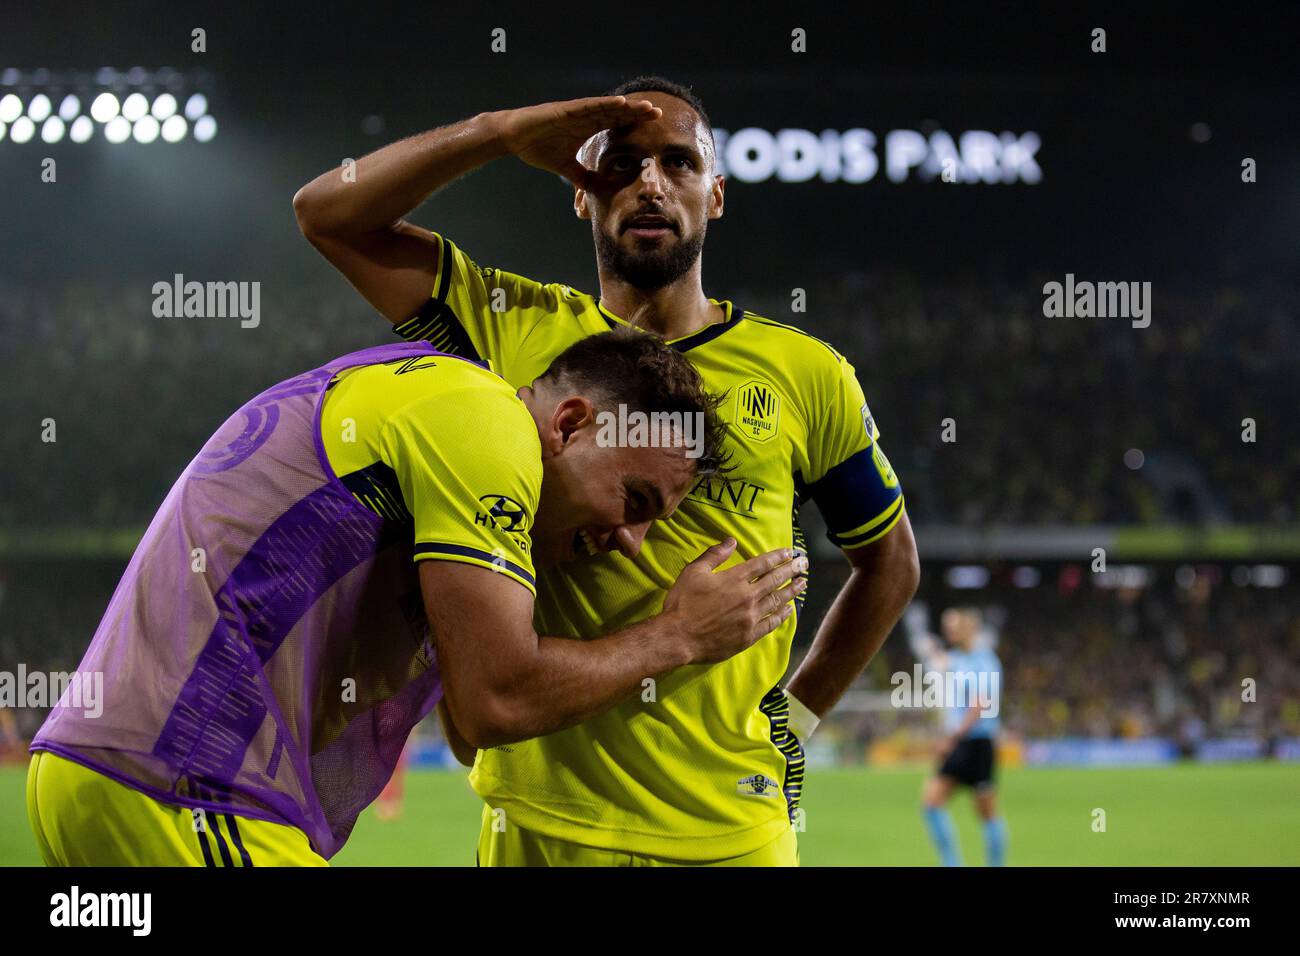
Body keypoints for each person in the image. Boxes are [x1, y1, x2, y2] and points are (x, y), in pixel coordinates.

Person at [293, 76, 920, 866]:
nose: (651, 183)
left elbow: (889, 563)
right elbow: (328, 215)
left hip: (731, 834)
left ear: (716, 195)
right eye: (621, 166)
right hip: (539, 823)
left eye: (679, 164)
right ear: (582, 196)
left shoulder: (805, 373)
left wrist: (799, 720)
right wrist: (497, 130)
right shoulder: (510, 326)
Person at [27, 329, 803, 866]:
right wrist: (681, 637)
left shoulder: (421, 410)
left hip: (118, 780)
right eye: (633, 500)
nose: (630, 541)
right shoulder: (487, 422)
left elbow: (470, 732)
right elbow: (497, 698)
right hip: (186, 787)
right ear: (569, 424)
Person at [909, 605, 1009, 867]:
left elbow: (979, 704)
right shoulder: (958, 658)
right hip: (967, 742)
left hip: (975, 742)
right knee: (935, 802)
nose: (949, 630)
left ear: (970, 628)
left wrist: (951, 738)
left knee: (980, 811)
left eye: (954, 625)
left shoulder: (984, 660)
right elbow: (940, 665)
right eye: (946, 625)